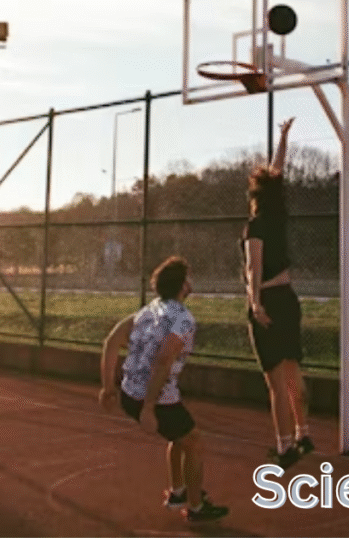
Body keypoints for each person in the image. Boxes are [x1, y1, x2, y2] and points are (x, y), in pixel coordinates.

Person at [98, 256, 229, 524]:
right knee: (193, 441)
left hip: (128, 393)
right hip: (156, 399)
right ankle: (195, 508)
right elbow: (164, 359)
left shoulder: (148, 311)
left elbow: (111, 341)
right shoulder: (183, 319)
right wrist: (148, 407)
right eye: (188, 280)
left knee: (180, 437)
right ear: (183, 286)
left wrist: (108, 387)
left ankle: (179, 493)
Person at [241, 117, 314, 469]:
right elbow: (277, 170)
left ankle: (285, 448)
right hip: (288, 299)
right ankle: (303, 432)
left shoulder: (255, 225)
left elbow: (254, 266)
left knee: (275, 383)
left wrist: (255, 303)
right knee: (292, 371)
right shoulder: (280, 212)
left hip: (268, 300)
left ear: (253, 196)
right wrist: (283, 137)